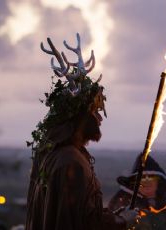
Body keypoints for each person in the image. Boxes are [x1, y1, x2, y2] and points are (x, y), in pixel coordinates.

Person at [25, 34, 138, 230]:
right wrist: (121, 221)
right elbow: (81, 223)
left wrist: (108, 214)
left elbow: (75, 212)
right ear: (81, 117)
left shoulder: (48, 155)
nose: (99, 119)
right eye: (95, 112)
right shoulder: (72, 162)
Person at [108, 154, 166, 230]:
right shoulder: (123, 199)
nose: (147, 181)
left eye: (151, 176)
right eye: (142, 177)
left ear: (158, 180)